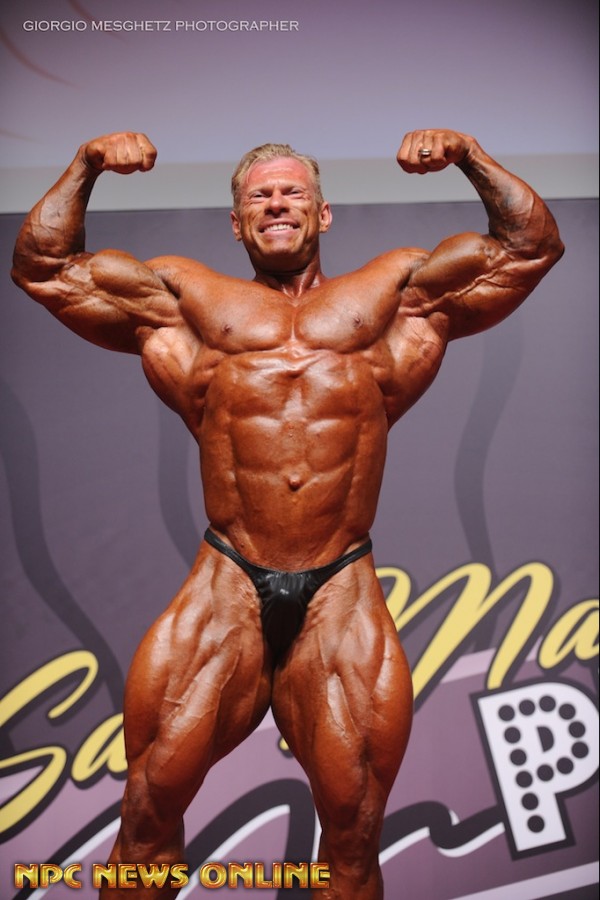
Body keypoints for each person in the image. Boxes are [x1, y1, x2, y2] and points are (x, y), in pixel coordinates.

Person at [11, 129, 563, 898]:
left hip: (340, 588)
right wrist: (87, 164)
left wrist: (468, 154)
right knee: (147, 809)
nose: (276, 203)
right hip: (227, 583)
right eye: (259, 196)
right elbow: (44, 267)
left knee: (353, 834)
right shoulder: (184, 301)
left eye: (292, 192)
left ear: (322, 213)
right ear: (237, 223)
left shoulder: (397, 294)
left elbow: (529, 248)